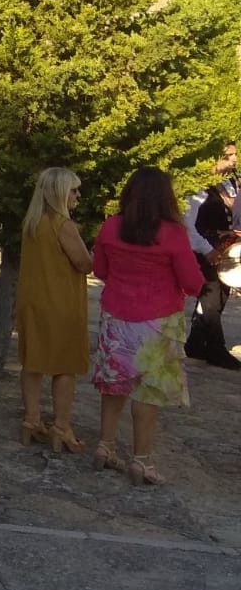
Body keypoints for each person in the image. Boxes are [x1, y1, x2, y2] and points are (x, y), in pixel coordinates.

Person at [89, 168, 205, 485]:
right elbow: (193, 283)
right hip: (157, 322)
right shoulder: (172, 233)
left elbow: (99, 268)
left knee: (114, 385)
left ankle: (105, 445)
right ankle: (142, 461)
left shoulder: (111, 226)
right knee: (147, 392)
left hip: (116, 318)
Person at [15, 167, 94, 449]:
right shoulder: (64, 225)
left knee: (33, 363)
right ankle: (61, 427)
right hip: (61, 304)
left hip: (33, 302)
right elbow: (84, 264)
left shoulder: (32, 223)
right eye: (73, 190)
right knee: (65, 367)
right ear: (60, 193)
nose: (78, 195)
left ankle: (31, 419)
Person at [181, 151, 240, 370]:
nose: (233, 160)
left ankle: (196, 343)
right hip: (204, 250)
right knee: (211, 299)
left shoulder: (226, 183)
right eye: (228, 155)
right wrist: (207, 249)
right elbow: (189, 225)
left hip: (220, 249)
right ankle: (216, 348)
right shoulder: (198, 187)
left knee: (220, 296)